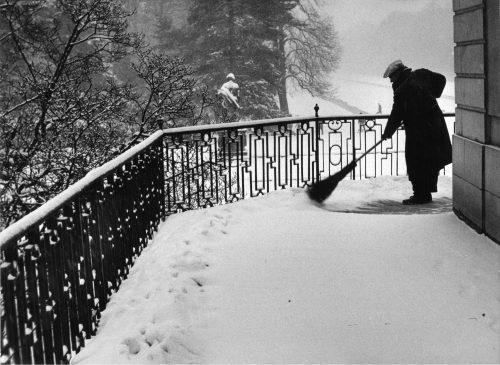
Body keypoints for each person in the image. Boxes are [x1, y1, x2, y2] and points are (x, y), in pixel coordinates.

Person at [381, 60, 452, 205]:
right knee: (429, 161)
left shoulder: (406, 86)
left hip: (420, 132)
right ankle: (424, 193)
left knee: (417, 162)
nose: (390, 81)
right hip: (432, 127)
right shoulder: (418, 76)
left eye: (391, 77)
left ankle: (421, 195)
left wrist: (388, 132)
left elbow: (397, 113)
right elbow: (440, 80)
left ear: (398, 74)